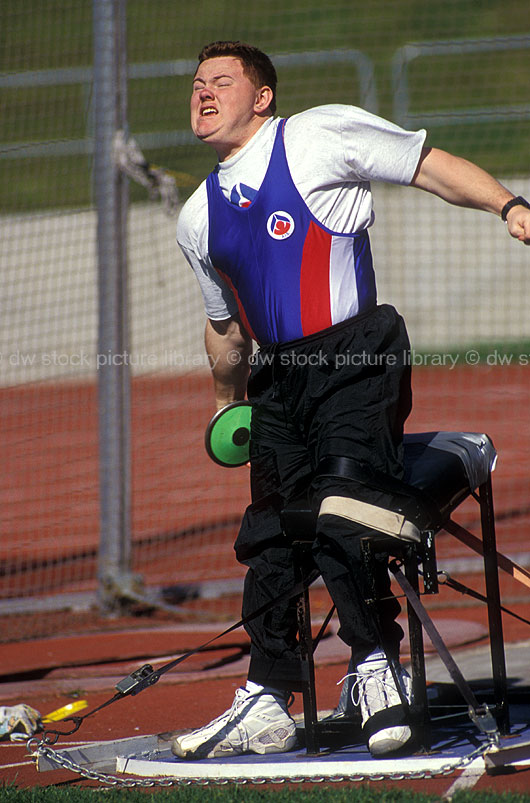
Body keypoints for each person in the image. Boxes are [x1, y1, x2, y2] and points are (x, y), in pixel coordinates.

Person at [172, 40, 530, 761]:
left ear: (262, 97)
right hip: (278, 378)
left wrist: (509, 204)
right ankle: (268, 695)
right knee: (271, 533)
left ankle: (375, 667)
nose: (203, 93)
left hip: (355, 352)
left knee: (345, 507)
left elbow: (428, 166)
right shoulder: (196, 216)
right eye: (197, 83)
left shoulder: (317, 135)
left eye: (221, 81)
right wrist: (224, 403)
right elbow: (226, 328)